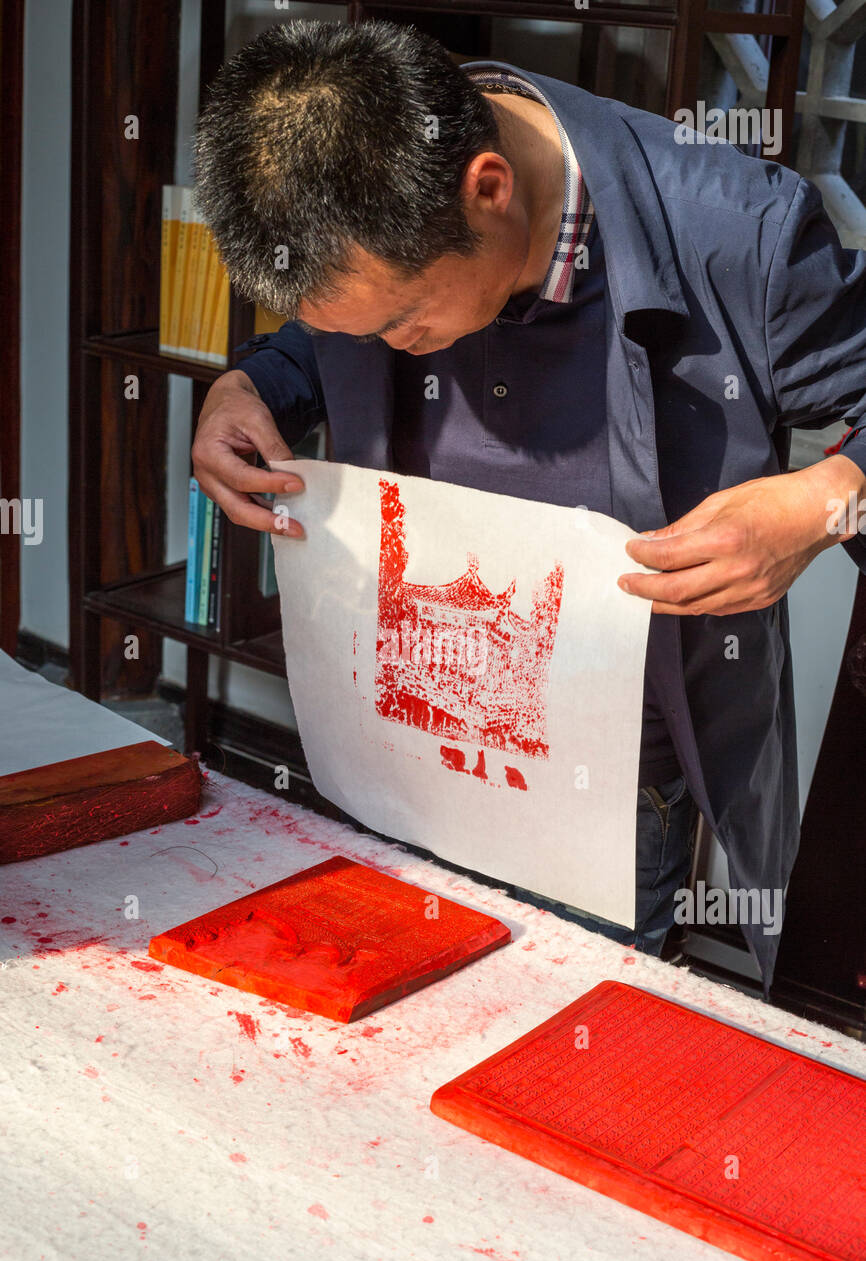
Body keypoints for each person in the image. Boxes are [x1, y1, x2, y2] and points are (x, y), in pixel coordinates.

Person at [190, 19, 866, 990]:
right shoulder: (383, 179)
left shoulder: (736, 234)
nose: (386, 344)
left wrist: (822, 503)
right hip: (410, 711)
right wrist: (259, 381)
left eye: (400, 324)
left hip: (607, 755)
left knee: (558, 1041)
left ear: (488, 189)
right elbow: (333, 327)